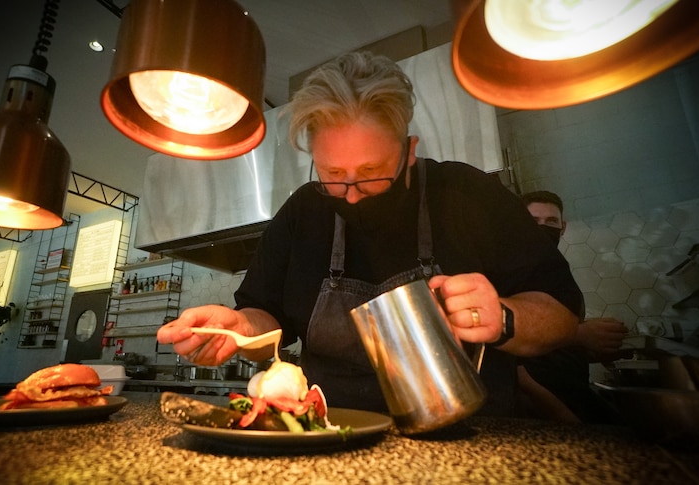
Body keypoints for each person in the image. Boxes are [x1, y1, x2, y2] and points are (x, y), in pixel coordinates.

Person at [157, 52, 583, 416]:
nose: (352, 196)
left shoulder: (468, 194)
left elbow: (562, 316)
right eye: (334, 175)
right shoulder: (305, 211)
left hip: (468, 442)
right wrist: (236, 328)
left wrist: (505, 317)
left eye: (371, 174)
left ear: (409, 152)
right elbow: (264, 320)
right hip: (332, 440)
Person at [518, 190, 628, 423]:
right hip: (542, 405)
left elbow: (554, 347)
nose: (543, 227)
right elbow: (509, 357)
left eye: (551, 221)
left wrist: (594, 347)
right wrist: (559, 413)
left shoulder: (557, 271)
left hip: (573, 392)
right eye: (533, 221)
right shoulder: (513, 273)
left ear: (563, 227)